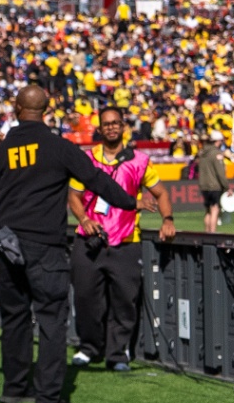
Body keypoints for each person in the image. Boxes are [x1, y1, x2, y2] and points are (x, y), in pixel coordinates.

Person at [0, 85, 136, 403]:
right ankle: (49, 398)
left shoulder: (2, 151)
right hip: (45, 246)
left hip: (6, 245)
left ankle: (15, 389)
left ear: (16, 108)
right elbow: (96, 179)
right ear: (46, 109)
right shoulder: (59, 147)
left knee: (14, 318)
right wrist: (130, 202)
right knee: (51, 320)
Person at [69, 105, 176, 372]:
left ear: (123, 126)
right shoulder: (87, 159)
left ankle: (117, 353)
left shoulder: (139, 160)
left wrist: (168, 220)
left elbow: (161, 193)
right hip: (89, 239)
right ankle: (89, 347)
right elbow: (73, 196)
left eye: (116, 122)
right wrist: (84, 219)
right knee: (85, 298)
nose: (112, 127)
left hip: (126, 241)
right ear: (100, 128)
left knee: (124, 300)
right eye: (107, 124)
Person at [197, 132, 230, 233]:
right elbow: (220, 173)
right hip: (214, 186)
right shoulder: (216, 154)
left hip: (204, 185)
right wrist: (227, 187)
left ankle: (207, 234)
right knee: (215, 209)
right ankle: (212, 234)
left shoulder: (202, 153)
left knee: (208, 211)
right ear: (218, 141)